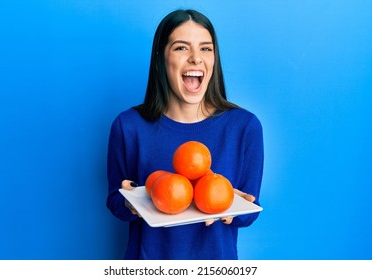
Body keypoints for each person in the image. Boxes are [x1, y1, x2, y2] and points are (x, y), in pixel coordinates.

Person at [106, 9, 264, 260]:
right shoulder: (128, 126)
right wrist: (128, 200)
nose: (195, 58)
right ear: (161, 57)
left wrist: (234, 206)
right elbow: (115, 201)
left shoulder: (244, 127)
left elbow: (251, 211)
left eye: (205, 48)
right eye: (181, 48)